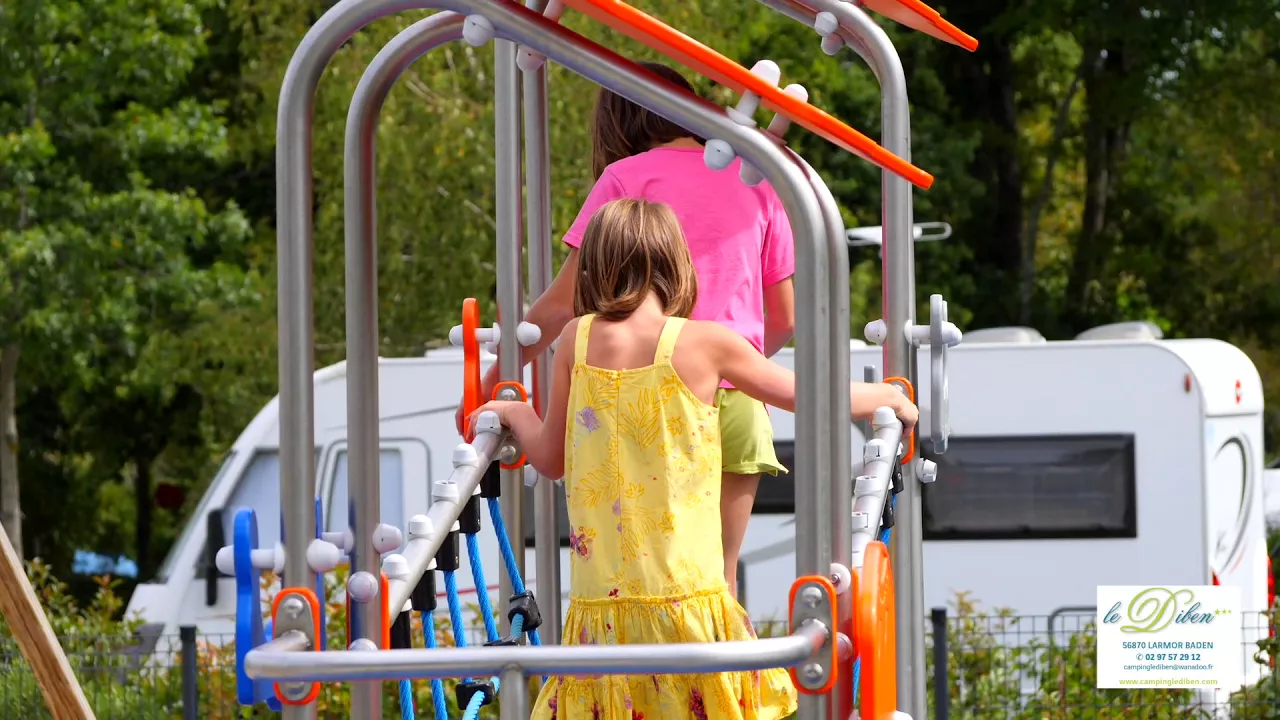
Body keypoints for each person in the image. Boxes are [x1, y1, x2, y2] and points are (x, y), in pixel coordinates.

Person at [469, 198, 917, 720]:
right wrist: (888, 398)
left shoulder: (576, 339)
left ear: (592, 268)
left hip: (602, 608)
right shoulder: (707, 344)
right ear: (677, 263)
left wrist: (514, 411)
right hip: (689, 598)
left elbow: (548, 458)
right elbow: (810, 395)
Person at [457, 61, 798, 596]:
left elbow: (560, 307)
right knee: (717, 585)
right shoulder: (755, 177)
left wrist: (490, 380)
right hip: (738, 404)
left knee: (637, 581)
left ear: (619, 118)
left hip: (650, 407)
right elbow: (783, 319)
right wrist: (736, 367)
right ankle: (730, 680)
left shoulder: (626, 179)